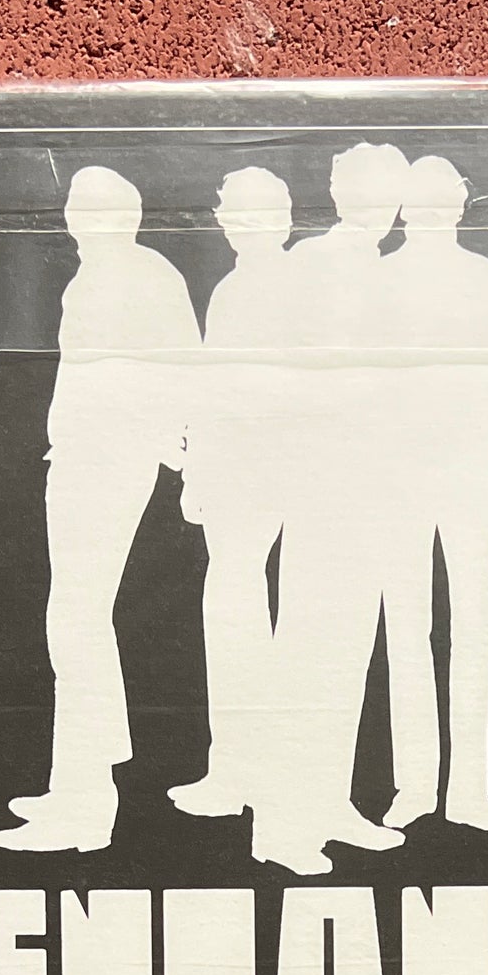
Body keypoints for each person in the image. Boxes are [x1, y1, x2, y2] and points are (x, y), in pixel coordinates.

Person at [0, 166, 199, 856]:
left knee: (78, 621)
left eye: (91, 207)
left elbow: (182, 368)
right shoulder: (100, 276)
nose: (77, 217)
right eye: (77, 206)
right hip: (83, 460)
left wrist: (168, 447)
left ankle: (87, 807)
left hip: (107, 464)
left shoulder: (138, 275)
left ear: (124, 216)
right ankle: (75, 783)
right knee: (75, 621)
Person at [251, 142, 412, 876]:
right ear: (341, 192)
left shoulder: (380, 271)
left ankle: (330, 802)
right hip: (321, 477)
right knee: (308, 648)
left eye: (390, 194)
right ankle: (281, 828)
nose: (381, 207)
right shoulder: (311, 263)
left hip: (372, 479)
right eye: (369, 190)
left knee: (349, 647)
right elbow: (284, 369)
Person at [382, 154, 488, 831]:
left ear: (462, 208)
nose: (436, 213)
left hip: (470, 471)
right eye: (424, 202)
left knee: (473, 629)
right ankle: (414, 786)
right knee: (408, 628)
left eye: (446, 201)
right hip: (398, 475)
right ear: (406, 209)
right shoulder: (380, 277)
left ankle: (469, 791)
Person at [168, 166, 298, 821]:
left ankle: (257, 774)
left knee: (250, 615)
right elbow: (211, 390)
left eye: (254, 213)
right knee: (234, 614)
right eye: (232, 213)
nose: (239, 225)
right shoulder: (228, 290)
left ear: (284, 219)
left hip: (270, 475)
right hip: (234, 477)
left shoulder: (293, 288)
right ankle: (238, 771)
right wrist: (197, 472)